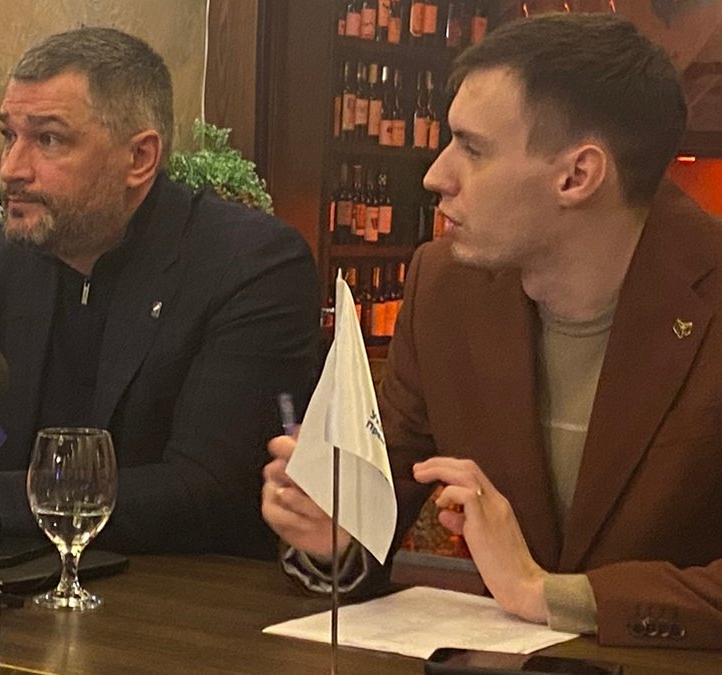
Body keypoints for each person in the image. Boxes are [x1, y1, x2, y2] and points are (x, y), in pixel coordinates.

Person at [263, 13, 722, 648]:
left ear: (577, 176)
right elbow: (378, 497)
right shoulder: (443, 285)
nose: (435, 175)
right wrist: (334, 533)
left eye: (472, 149)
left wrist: (548, 594)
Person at [0, 27, 320, 558]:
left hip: (183, 596)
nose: (11, 169)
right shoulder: (2, 263)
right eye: (9, 136)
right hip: (8, 588)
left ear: (139, 158)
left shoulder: (250, 265)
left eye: (48, 140)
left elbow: (207, 491)